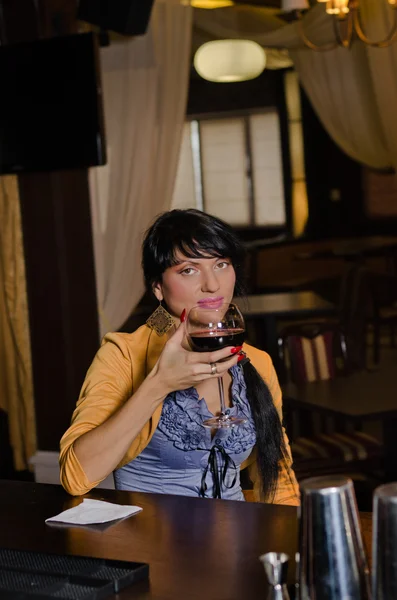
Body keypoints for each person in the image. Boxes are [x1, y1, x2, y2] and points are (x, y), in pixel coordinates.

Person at [60, 209, 299, 505]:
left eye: (221, 264)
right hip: (151, 546)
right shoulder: (123, 354)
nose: (212, 284)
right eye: (189, 269)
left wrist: (292, 543)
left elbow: (277, 473)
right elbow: (76, 476)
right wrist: (158, 384)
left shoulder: (255, 361)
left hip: (237, 541)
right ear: (158, 287)